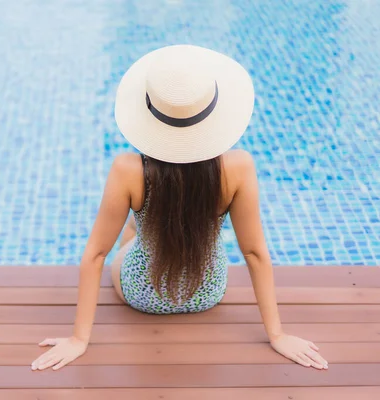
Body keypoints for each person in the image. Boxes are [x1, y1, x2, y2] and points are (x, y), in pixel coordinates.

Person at [31, 45, 328, 372]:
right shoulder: (239, 168)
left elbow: (95, 255)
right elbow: (255, 253)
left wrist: (79, 340)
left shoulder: (127, 170)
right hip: (209, 289)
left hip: (141, 293)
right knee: (151, 223)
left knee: (133, 227)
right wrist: (277, 334)